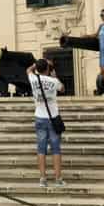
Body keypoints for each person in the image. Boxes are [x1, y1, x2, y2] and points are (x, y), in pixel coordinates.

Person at [28, 58, 65, 188]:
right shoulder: (53, 81)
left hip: (39, 116)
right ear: (48, 69)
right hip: (53, 117)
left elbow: (28, 70)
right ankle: (58, 178)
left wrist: (36, 64)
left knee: (41, 149)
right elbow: (62, 89)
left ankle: (43, 178)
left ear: (37, 69)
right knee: (56, 149)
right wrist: (55, 76)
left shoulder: (33, 79)